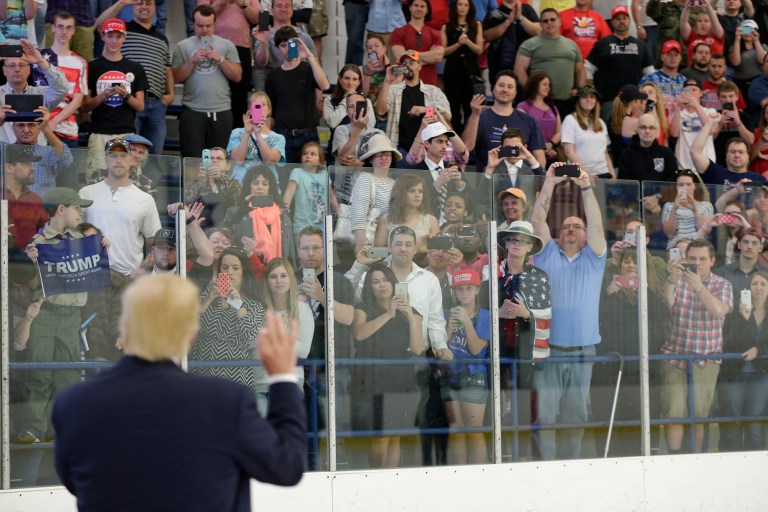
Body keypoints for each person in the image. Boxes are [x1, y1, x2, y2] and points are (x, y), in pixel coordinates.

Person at [52, 274, 307, 511]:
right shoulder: (225, 402)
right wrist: (283, 377)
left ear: (124, 324)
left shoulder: (73, 404)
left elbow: (76, 482)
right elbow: (287, 466)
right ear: (191, 333)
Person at [530, 163, 607, 460]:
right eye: (565, 227)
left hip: (582, 351)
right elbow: (537, 221)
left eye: (577, 226)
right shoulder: (547, 253)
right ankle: (548, 468)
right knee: (546, 418)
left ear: (587, 235)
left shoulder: (594, 259)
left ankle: (572, 468)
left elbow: (597, 224)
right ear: (558, 234)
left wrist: (585, 186)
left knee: (576, 418)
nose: (571, 229)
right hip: (549, 350)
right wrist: (549, 182)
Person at [16, 187, 94, 444]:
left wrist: (102, 247)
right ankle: (34, 428)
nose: (81, 213)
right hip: (45, 313)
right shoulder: (37, 244)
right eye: (77, 208)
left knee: (68, 374)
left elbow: (94, 270)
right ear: (62, 209)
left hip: (71, 315)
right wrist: (29, 262)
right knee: (39, 373)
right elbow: (21, 284)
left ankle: (65, 428)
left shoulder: (83, 241)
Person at [595, 247, 669, 457]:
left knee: (647, 415)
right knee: (620, 417)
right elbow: (602, 322)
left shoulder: (653, 288)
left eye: (636, 263)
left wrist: (645, 291)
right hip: (618, 366)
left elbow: (661, 315)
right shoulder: (609, 288)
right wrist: (609, 294)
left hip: (646, 366)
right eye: (627, 262)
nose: (631, 266)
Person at [351, 262, 426, 467]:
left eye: (385, 280)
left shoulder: (410, 311)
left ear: (393, 283)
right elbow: (359, 333)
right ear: (370, 287)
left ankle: (390, 479)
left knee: (395, 434)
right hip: (371, 376)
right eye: (376, 282)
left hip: (400, 374)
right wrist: (388, 314)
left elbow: (418, 348)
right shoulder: (363, 309)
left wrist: (411, 317)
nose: (382, 285)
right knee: (379, 434)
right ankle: (376, 479)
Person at [662, 238, 732, 453]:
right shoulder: (677, 280)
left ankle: (696, 460)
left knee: (699, 415)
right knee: (674, 412)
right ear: (685, 259)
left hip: (706, 357)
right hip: (675, 355)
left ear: (712, 261)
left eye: (702, 259)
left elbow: (719, 311)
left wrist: (699, 287)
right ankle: (673, 460)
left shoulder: (722, 284)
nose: (697, 263)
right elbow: (667, 304)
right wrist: (672, 280)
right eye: (692, 258)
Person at [496, 221, 551, 456]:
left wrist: (525, 313)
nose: (517, 244)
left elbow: (547, 313)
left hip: (525, 352)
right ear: (506, 243)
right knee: (496, 406)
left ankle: (525, 456)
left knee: (525, 407)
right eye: (513, 239)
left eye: (523, 241)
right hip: (497, 350)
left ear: (530, 247)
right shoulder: (492, 272)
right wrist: (496, 313)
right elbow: (475, 308)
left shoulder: (539, 277)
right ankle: (498, 454)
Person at [94, 0, 174, 154]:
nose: (144, 6)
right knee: (129, 153)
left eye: (148, 3)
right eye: (139, 3)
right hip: (130, 101)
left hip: (157, 103)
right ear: (133, 7)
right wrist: (121, 3)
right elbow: (100, 25)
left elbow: (167, 68)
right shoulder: (124, 32)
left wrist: (170, 93)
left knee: (156, 154)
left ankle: (153, 180)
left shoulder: (162, 38)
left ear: (154, 7)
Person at [79, 138, 162, 278]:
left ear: (131, 159)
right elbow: (74, 232)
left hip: (128, 276)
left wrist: (143, 268)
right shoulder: (86, 193)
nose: (118, 160)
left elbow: (155, 241)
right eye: (113, 155)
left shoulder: (145, 199)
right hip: (90, 273)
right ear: (106, 160)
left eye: (123, 155)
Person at [171, 4, 242, 158]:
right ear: (193, 24)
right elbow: (175, 78)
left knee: (220, 164)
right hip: (192, 110)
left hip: (221, 110)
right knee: (191, 161)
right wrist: (192, 61)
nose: (204, 30)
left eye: (208, 26)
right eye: (200, 26)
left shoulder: (226, 45)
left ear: (215, 24)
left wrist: (220, 59)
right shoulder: (182, 46)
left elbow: (237, 76)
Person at [83, 18, 148, 178]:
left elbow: (140, 106)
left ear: (124, 38)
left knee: (130, 181)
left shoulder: (135, 68)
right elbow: (85, 106)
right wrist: (103, 95)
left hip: (127, 133)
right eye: (110, 36)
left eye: (118, 36)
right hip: (99, 132)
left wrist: (125, 95)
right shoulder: (91, 67)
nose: (114, 40)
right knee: (96, 179)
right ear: (103, 36)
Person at [440, 269, 490, 464]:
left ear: (477, 290)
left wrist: (467, 322)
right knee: (456, 431)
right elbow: (440, 349)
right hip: (449, 375)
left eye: (469, 288)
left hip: (474, 376)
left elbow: (477, 349)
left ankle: (479, 476)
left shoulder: (485, 315)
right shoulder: (446, 314)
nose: (464, 293)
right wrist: (449, 330)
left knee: (474, 431)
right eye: (459, 289)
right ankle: (458, 474)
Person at [264, 26, 330, 163]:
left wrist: (309, 55)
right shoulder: (273, 76)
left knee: (311, 177)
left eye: (291, 44)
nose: (288, 48)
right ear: (277, 48)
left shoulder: (308, 68)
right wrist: (267, 137)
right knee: (284, 178)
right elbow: (271, 112)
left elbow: (325, 85)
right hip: (282, 136)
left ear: (298, 44)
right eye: (283, 45)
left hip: (308, 134)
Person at [718, 271, 768, 451]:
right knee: (733, 419)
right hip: (735, 373)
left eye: (763, 284)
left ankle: (753, 462)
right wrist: (744, 318)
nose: (759, 288)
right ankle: (734, 460)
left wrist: (759, 350)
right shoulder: (735, 312)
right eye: (755, 284)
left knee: (754, 419)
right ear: (748, 288)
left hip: (761, 374)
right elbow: (730, 342)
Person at [461, 70, 546, 170]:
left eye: (510, 87)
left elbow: (540, 157)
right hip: (487, 181)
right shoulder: (479, 117)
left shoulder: (529, 121)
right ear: (493, 89)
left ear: (515, 93)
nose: (505, 90)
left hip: (522, 182)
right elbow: (466, 148)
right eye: (501, 85)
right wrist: (475, 115)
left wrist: (538, 181)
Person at [28, 11, 87, 149]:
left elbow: (77, 100)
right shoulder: (38, 57)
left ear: (74, 30)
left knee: (67, 170)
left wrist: (53, 122)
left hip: (67, 130)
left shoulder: (80, 62)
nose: (64, 31)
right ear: (53, 28)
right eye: (60, 26)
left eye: (68, 27)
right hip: (37, 128)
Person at [259, 258, 314, 406]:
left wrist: (277, 333)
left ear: (290, 279)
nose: (279, 281)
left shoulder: (302, 309)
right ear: (267, 281)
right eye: (273, 276)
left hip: (291, 379)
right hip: (259, 381)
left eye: (283, 276)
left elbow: (303, 352)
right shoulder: (258, 309)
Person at [374, 50, 450, 152]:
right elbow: (380, 112)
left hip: (426, 149)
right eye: (404, 64)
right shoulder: (393, 90)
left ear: (420, 66)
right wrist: (387, 82)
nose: (407, 66)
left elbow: (447, 115)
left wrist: (425, 110)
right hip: (398, 149)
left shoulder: (433, 91)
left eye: (411, 63)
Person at [514, 8, 585, 117]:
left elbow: (580, 70)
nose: (549, 23)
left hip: (567, 102)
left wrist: (580, 91)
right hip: (539, 101)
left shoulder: (572, 45)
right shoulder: (529, 44)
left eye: (553, 19)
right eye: (545, 21)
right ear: (540, 24)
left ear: (559, 22)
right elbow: (519, 70)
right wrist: (532, 91)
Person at [0, 38, 69, 144]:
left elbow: (62, 88)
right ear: (4, 70)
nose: (17, 69)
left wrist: (41, 61)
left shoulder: (41, 95)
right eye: (11, 65)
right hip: (4, 157)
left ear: (29, 70)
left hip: (38, 157)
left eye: (22, 65)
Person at [349, 133, 399, 253]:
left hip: (391, 247)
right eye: (379, 154)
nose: (384, 158)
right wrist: (362, 248)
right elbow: (358, 219)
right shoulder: (365, 178)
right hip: (370, 246)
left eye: (387, 154)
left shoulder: (395, 183)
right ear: (370, 159)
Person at [9, 108, 74, 197]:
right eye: (20, 125)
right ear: (13, 128)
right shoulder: (5, 150)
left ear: (39, 128)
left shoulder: (49, 152)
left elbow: (66, 161)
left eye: (31, 125)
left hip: (43, 209)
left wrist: (46, 128)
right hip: (11, 209)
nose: (26, 130)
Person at [691, 114, 767, 187]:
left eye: (741, 152)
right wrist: (710, 123)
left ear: (748, 156)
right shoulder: (715, 173)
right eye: (732, 152)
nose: (737, 155)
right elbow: (695, 152)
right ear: (726, 156)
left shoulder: (759, 180)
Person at [441, 0, 484, 129]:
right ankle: (454, 136)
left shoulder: (476, 25)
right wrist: (458, 44)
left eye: (466, 5)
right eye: (460, 4)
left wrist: (467, 42)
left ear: (470, 8)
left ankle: (470, 138)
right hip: (453, 70)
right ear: (455, 6)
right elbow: (443, 51)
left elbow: (479, 49)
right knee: (453, 106)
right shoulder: (446, 26)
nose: (462, 7)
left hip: (470, 71)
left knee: (470, 105)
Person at [227, 91, 286, 183]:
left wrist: (258, 134)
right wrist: (247, 132)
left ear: (269, 110)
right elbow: (238, 160)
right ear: (250, 110)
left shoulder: (279, 138)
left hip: (266, 187)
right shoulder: (236, 133)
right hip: (240, 185)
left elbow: (269, 160)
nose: (260, 108)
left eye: (263, 105)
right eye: (256, 105)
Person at [374, 173, 439, 253]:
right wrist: (415, 248)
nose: (417, 195)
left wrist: (422, 250)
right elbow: (377, 253)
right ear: (400, 193)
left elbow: (436, 256)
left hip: (421, 265)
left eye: (420, 191)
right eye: (412, 191)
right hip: (391, 264)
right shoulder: (386, 219)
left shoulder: (431, 221)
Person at [561, 85, 615, 180]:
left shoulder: (601, 122)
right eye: (584, 97)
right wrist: (586, 173)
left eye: (592, 97)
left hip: (603, 174)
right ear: (578, 100)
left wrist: (612, 172)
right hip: (579, 176)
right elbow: (569, 152)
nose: (588, 100)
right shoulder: (570, 120)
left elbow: (605, 152)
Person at [482, 0, 540, 87]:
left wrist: (520, 17)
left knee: (525, 97)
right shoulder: (494, 13)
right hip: (499, 66)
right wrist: (508, 21)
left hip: (525, 67)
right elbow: (487, 36)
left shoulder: (527, 9)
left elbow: (538, 31)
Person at [282, 141, 332, 236]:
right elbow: (288, 194)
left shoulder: (325, 175)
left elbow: (332, 197)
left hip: (322, 228)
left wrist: (340, 213)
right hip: (302, 228)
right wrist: (284, 212)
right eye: (305, 154)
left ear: (320, 161)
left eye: (312, 154)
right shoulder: (297, 172)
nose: (307, 156)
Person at [390, 0, 444, 87]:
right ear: (410, 7)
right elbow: (400, 57)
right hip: (405, 83)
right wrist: (428, 57)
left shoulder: (435, 33)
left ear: (427, 10)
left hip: (429, 83)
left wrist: (409, 54)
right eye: (416, 5)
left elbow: (438, 57)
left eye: (422, 6)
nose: (419, 9)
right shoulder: (398, 32)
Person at [4, 144, 47, 250]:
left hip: (27, 264)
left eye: (31, 163)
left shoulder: (35, 200)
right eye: (26, 163)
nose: (32, 168)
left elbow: (46, 232)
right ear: (9, 167)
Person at [670, 77, 716, 172]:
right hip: (683, 165)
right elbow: (674, 134)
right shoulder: (677, 114)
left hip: (706, 165)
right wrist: (678, 107)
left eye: (694, 90)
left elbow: (711, 130)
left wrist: (696, 105)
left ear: (701, 93)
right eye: (687, 90)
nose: (691, 93)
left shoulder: (709, 111)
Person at [516, 72, 561, 165]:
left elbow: (559, 132)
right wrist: (540, 149)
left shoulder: (553, 108)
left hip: (552, 155)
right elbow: (522, 133)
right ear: (535, 85)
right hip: (530, 157)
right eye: (544, 84)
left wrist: (550, 144)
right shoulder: (523, 106)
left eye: (549, 85)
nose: (548, 87)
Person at [662, 169, 714, 249]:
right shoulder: (669, 206)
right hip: (675, 249)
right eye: (681, 185)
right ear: (676, 187)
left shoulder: (706, 205)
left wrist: (694, 210)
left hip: (698, 249)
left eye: (688, 184)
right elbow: (669, 233)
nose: (685, 188)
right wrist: (674, 209)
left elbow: (705, 231)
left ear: (695, 186)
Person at [619, 113, 679, 183]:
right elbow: (624, 183)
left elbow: (672, 181)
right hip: (635, 194)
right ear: (637, 130)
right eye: (643, 127)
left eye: (651, 128)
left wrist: (658, 194)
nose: (647, 131)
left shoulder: (666, 154)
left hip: (660, 194)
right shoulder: (627, 154)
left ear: (657, 131)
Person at [642, 40, 688, 120]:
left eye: (676, 55)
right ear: (662, 57)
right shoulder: (650, 79)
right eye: (669, 54)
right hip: (656, 123)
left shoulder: (685, 81)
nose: (672, 58)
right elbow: (642, 103)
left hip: (680, 124)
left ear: (680, 57)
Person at [608, 84, 648, 164]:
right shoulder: (632, 121)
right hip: (631, 166)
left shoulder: (612, 119)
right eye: (639, 100)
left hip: (617, 164)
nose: (641, 103)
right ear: (633, 102)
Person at [730, 19, 767, 100]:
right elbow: (736, 62)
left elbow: (762, 60)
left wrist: (756, 40)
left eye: (750, 30)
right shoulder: (735, 47)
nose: (747, 32)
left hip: (759, 82)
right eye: (745, 29)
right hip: (741, 84)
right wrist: (737, 39)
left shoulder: (763, 46)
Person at [680, 1, 724, 66]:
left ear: (711, 24)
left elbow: (715, 22)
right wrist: (687, 7)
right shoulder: (691, 36)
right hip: (694, 72)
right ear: (696, 24)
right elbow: (683, 23)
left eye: (706, 21)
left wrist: (708, 6)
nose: (703, 24)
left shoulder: (717, 36)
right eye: (700, 21)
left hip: (713, 72)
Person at [640, 81, 671, 146]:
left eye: (650, 92)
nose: (647, 95)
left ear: (656, 98)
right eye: (644, 93)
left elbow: (665, 145)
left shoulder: (664, 120)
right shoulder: (636, 118)